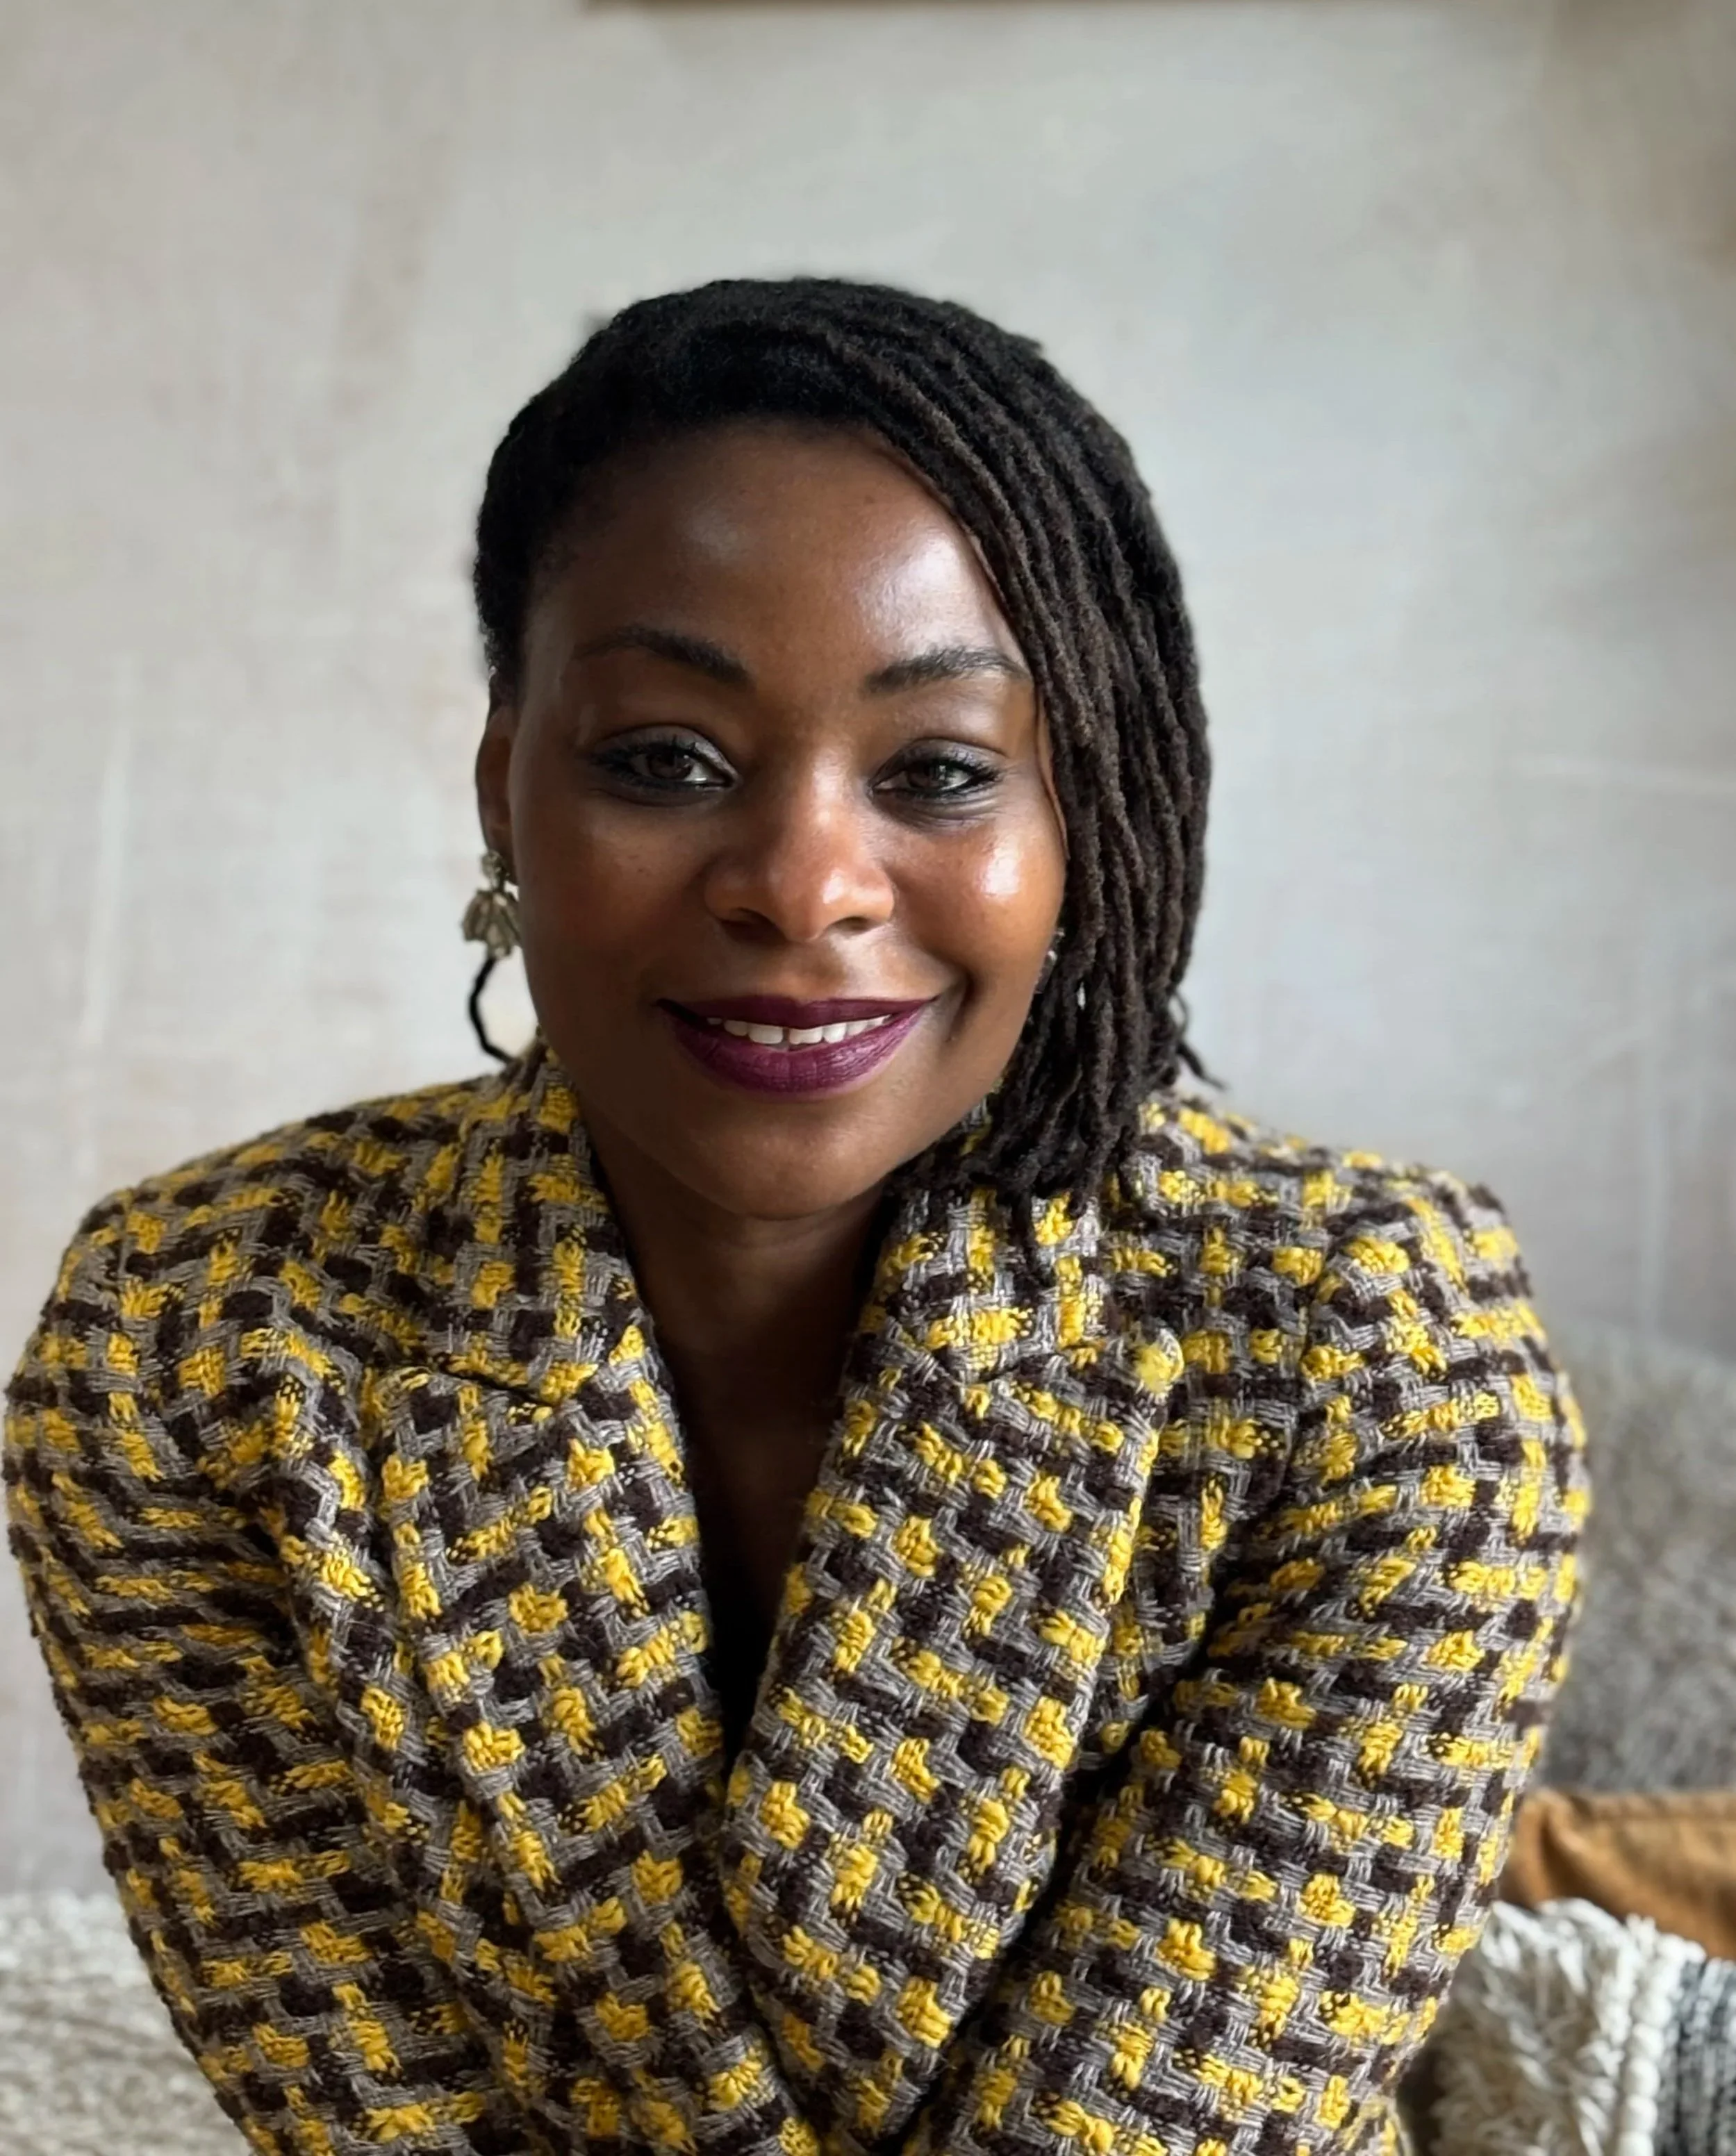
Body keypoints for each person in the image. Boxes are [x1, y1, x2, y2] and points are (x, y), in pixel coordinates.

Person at [4, 278, 1587, 2156]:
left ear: (1085, 818)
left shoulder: (1382, 1354)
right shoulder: (187, 1342)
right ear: (505, 785)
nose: (802, 884)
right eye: (665, 759)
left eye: (939, 772)